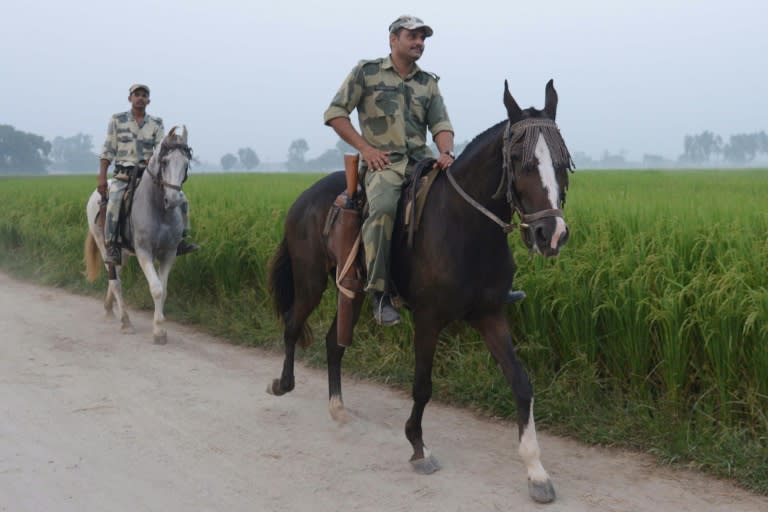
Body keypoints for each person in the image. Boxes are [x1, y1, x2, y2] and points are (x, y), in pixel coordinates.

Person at [324, 16, 523, 326]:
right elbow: (336, 114)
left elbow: (441, 124)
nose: (419, 42)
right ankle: (380, 294)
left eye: (422, 38)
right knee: (384, 209)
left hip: (421, 163)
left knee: (468, 203)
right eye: (412, 36)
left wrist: (446, 151)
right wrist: (366, 149)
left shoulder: (427, 82)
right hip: (384, 164)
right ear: (393, 40)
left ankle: (490, 285)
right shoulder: (367, 72)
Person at [98, 83, 197, 265]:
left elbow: (160, 150)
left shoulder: (156, 123)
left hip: (148, 174)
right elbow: (108, 149)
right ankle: (112, 245)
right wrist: (102, 176)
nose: (140, 98)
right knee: (114, 201)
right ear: (130, 98)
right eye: (137, 94)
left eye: (144, 95)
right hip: (124, 175)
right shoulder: (117, 120)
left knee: (181, 199)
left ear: (148, 100)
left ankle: (181, 239)